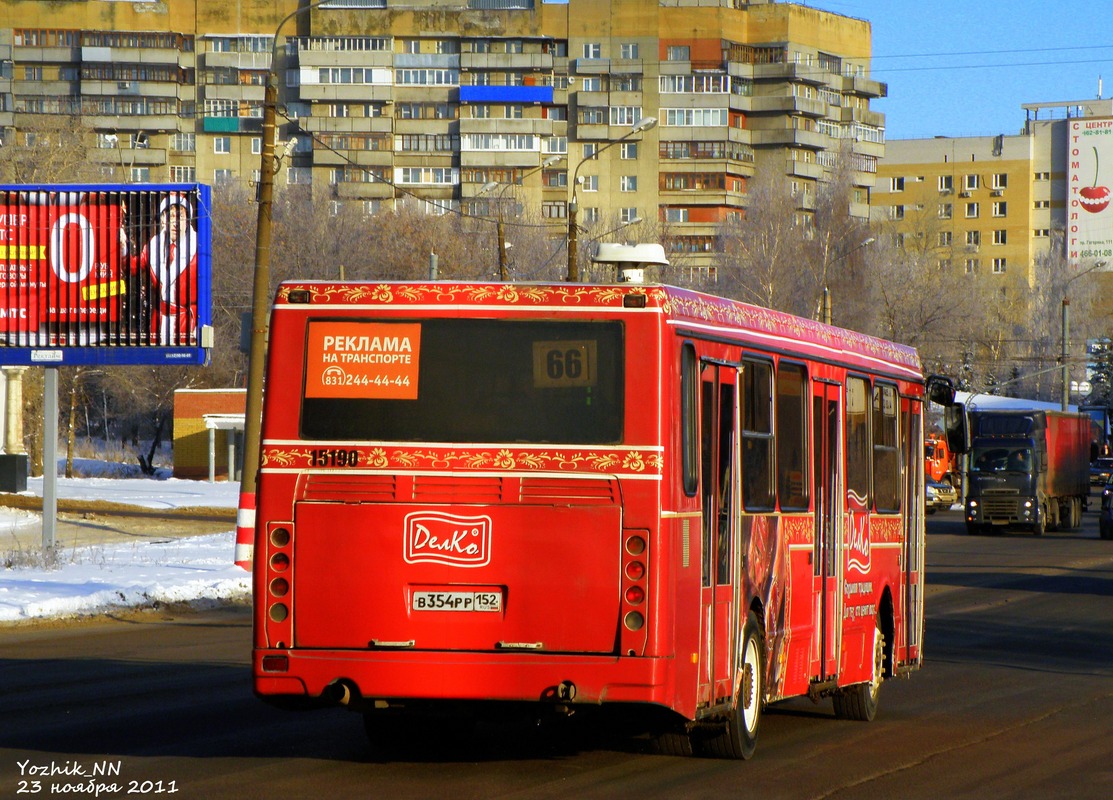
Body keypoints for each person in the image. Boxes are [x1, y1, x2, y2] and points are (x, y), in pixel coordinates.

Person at [131, 193, 198, 344]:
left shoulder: (198, 247)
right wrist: (121, 248)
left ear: (187, 221)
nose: (175, 222)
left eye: (180, 216)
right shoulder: (153, 246)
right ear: (162, 220)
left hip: (186, 322)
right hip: (159, 320)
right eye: (171, 216)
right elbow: (132, 268)